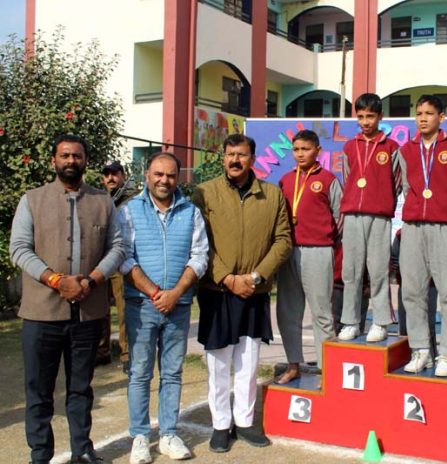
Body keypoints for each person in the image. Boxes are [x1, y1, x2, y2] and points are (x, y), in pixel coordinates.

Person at [9, 134, 125, 464]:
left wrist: (91, 280)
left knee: (80, 388)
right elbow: (19, 248)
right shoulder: (31, 200)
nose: (71, 161)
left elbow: (118, 247)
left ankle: (82, 450)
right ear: (53, 161)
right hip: (41, 315)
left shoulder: (103, 201)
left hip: (87, 314)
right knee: (39, 391)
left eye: (77, 156)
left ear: (86, 161)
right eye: (64, 155)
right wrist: (57, 280)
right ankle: (40, 454)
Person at [192, 133, 292, 453]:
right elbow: (199, 242)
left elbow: (283, 241)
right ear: (223, 156)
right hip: (216, 291)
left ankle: (245, 421)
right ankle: (221, 424)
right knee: (219, 363)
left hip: (254, 291)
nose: (235, 160)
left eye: (242, 155)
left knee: (248, 362)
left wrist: (254, 276)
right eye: (230, 153)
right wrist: (226, 278)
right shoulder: (204, 194)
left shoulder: (272, 195)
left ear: (253, 159)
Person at [119, 152, 209, 463]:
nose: (164, 180)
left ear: (178, 178)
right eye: (158, 174)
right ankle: (141, 436)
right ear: (147, 175)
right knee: (140, 373)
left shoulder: (191, 213)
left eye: (170, 175)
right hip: (141, 306)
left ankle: (168, 433)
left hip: (179, 306)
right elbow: (124, 257)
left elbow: (200, 256)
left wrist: (176, 293)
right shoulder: (129, 211)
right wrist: (156, 292)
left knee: (172, 372)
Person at [397, 94, 447, 377]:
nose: (423, 118)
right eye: (419, 113)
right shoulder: (406, 150)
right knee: (412, 291)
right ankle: (421, 350)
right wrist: (420, 209)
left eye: (429, 113)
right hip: (415, 227)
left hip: (446, 226)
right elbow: (407, 188)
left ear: (441, 117)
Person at [276, 129, 343, 384]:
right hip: (289, 251)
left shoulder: (327, 179)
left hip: (318, 250)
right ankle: (294, 364)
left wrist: (327, 243)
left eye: (305, 149)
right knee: (288, 311)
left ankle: (327, 370)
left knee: (321, 312)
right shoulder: (285, 180)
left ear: (318, 151)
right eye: (296, 149)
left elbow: (340, 217)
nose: (300, 154)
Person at [337, 93, 400, 342]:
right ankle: (351, 321)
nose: (365, 122)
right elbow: (347, 177)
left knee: (377, 269)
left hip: (379, 215)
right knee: (351, 270)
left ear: (380, 117)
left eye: (370, 117)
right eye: (361, 117)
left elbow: (397, 182)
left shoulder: (391, 147)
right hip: (352, 213)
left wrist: (381, 200)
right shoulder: (349, 147)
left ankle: (381, 321)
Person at [99, 160, 138, 372]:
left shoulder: (132, 199)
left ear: (122, 175)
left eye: (114, 173)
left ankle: (126, 353)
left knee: (124, 309)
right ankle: (102, 351)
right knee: (99, 309)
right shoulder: (99, 199)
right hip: (100, 261)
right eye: (106, 174)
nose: (110, 178)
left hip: (122, 259)